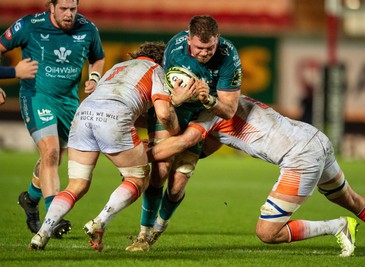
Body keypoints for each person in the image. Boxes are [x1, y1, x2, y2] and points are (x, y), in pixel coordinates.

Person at [143, 94, 365, 256]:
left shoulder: (209, 116)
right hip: (315, 138)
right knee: (350, 198)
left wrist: (139, 154)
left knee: (267, 233)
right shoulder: (232, 100)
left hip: (299, 157)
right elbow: (205, 148)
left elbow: (182, 144)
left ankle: (337, 226)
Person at [28, 41, 197, 251]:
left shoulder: (117, 67)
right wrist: (176, 116)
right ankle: (100, 221)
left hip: (83, 114)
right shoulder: (157, 71)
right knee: (138, 177)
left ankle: (42, 233)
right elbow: (163, 113)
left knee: (76, 185)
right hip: (114, 117)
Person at [127, 14, 242, 252]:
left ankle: (160, 226)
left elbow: (229, 110)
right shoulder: (175, 47)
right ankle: (143, 234)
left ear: (217, 39)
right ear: (189, 39)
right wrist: (176, 101)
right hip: (174, 109)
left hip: (202, 113)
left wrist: (208, 99)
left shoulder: (228, 55)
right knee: (160, 170)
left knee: (177, 186)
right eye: (200, 48)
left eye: (210, 47)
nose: (205, 53)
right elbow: (165, 90)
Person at [0, 0, 105, 238]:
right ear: (51, 7)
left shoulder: (88, 29)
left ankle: (30, 198)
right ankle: (53, 217)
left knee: (54, 158)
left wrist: (95, 77)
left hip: (68, 102)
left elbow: (98, 57)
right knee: (50, 151)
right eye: (63, 9)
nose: (69, 15)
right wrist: (11, 74)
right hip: (37, 97)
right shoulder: (28, 25)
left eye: (73, 9)